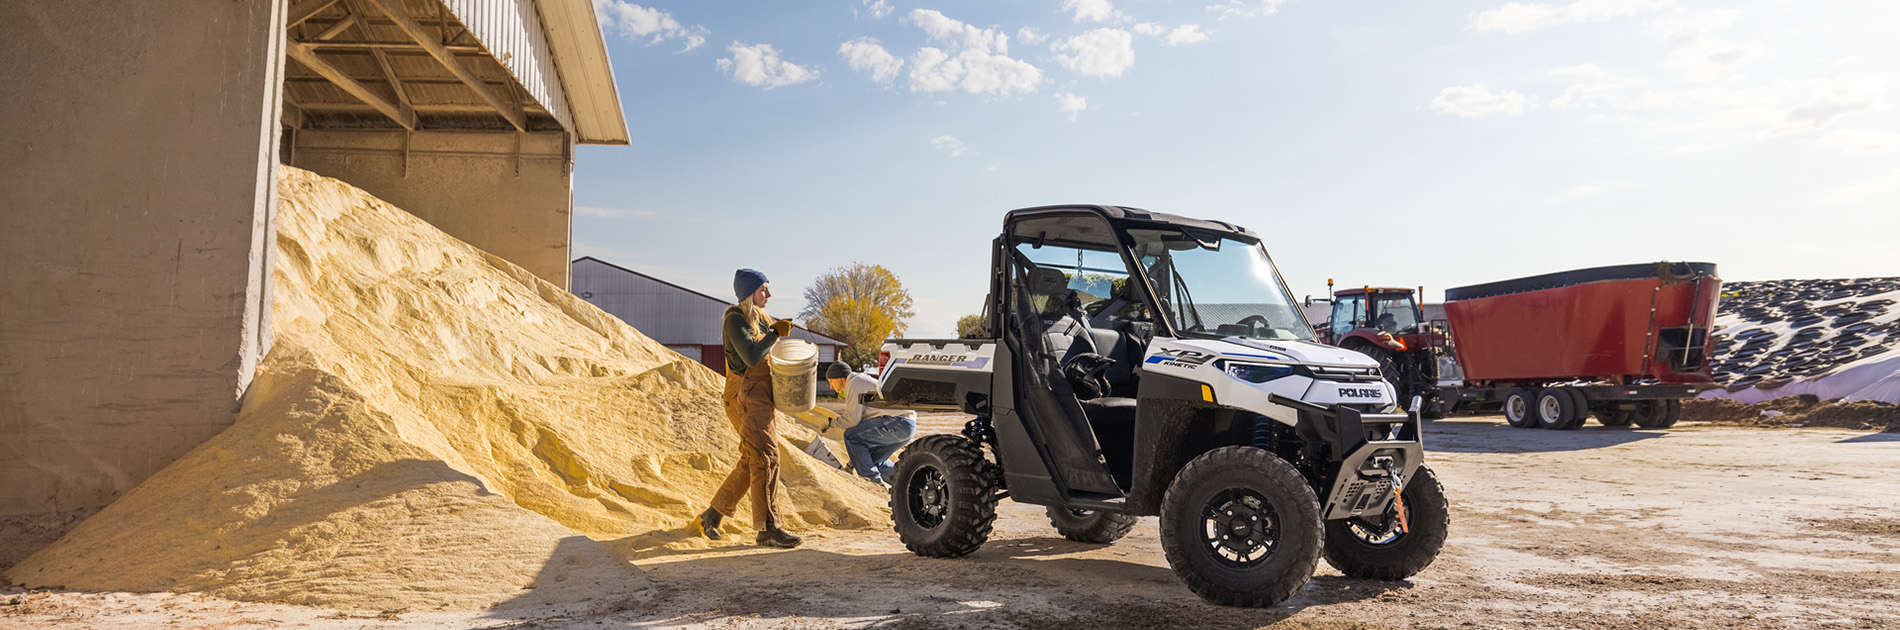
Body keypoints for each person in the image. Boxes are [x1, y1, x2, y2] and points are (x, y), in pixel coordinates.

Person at [694, 268, 802, 548]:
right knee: (766, 458)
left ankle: (711, 517)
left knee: (753, 458)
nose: (769, 294)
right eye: (763, 289)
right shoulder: (735, 319)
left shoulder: (761, 319)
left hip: (760, 396)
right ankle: (768, 528)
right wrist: (775, 334)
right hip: (744, 395)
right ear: (748, 293)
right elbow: (753, 356)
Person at [825, 362, 917, 486]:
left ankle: (872, 484)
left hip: (896, 422)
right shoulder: (860, 380)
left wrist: (832, 423)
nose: (831, 386)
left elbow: (852, 420)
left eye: (831, 381)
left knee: (850, 436)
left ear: (840, 377)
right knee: (874, 462)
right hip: (906, 425)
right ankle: (912, 482)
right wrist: (852, 463)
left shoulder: (854, 383)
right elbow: (864, 432)